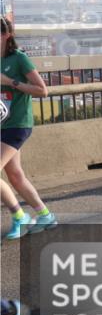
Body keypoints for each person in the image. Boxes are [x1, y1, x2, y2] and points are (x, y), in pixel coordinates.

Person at [1, 17, 56, 238]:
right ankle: (45, 215)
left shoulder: (19, 59)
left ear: (6, 35)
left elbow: (42, 91)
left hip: (18, 124)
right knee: (15, 175)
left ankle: (19, 217)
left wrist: (10, 82)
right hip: (2, 124)